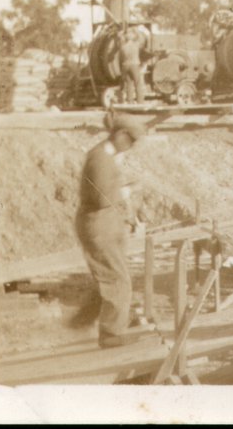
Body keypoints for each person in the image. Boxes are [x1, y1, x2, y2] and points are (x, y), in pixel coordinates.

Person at [74, 113, 146, 348]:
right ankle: (111, 334)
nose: (132, 147)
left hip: (106, 224)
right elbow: (102, 198)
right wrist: (130, 189)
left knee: (114, 276)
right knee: (117, 279)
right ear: (121, 134)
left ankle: (106, 322)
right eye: (131, 141)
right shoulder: (100, 158)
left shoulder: (108, 156)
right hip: (99, 225)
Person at [117, 29, 145, 104]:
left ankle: (130, 101)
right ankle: (140, 101)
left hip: (125, 66)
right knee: (138, 83)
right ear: (133, 37)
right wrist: (136, 31)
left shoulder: (123, 45)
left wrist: (122, 33)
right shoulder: (136, 44)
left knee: (129, 83)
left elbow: (119, 37)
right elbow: (141, 38)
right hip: (134, 65)